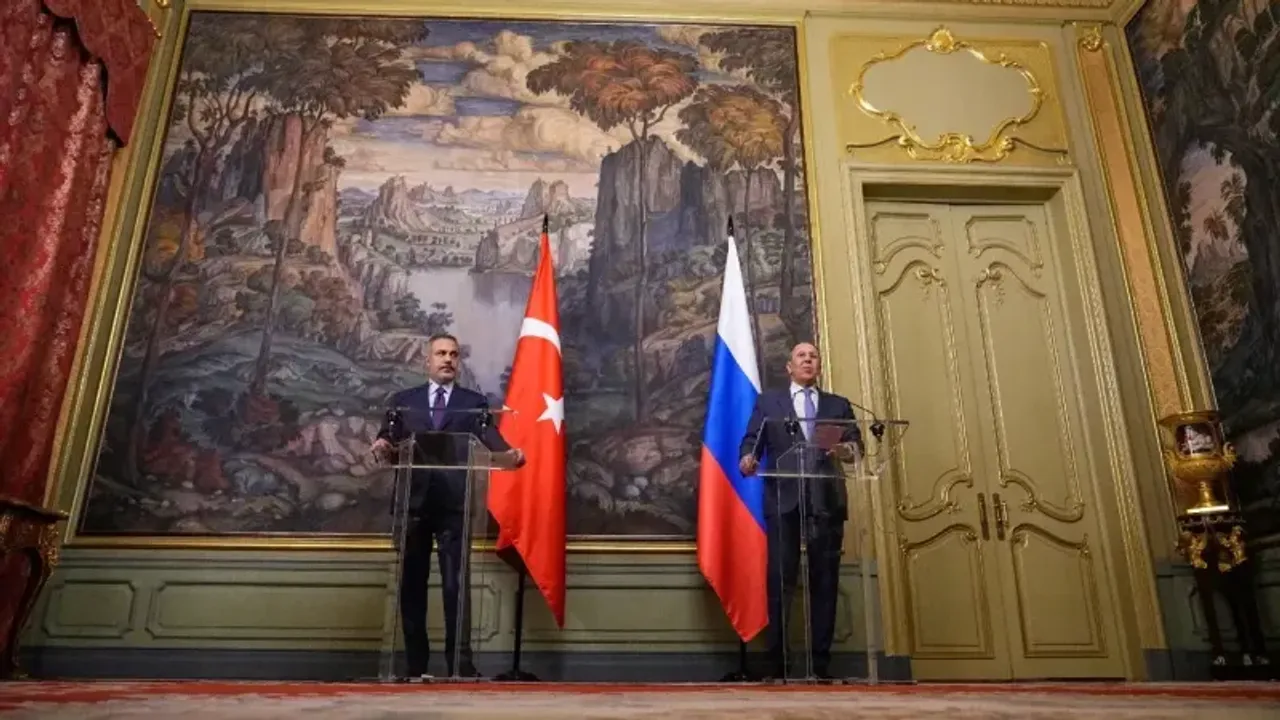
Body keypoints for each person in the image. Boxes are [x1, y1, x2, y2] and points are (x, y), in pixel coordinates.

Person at [371, 333, 524, 680]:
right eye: (440, 353)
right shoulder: (403, 401)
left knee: (456, 585)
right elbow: (388, 435)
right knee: (412, 586)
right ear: (427, 360)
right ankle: (415, 665)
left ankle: (460, 664)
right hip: (413, 504)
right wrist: (382, 444)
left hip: (454, 505)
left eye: (453, 354)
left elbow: (489, 436)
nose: (447, 359)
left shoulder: (473, 403)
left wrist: (508, 454)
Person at [739, 342, 862, 680]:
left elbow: (856, 446)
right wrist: (747, 458)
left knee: (825, 582)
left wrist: (845, 450)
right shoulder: (769, 402)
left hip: (826, 501)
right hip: (784, 500)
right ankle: (778, 666)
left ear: (819, 366)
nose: (808, 360)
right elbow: (752, 440)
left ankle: (820, 666)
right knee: (781, 581)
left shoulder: (838, 404)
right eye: (801, 356)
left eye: (813, 356)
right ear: (789, 367)